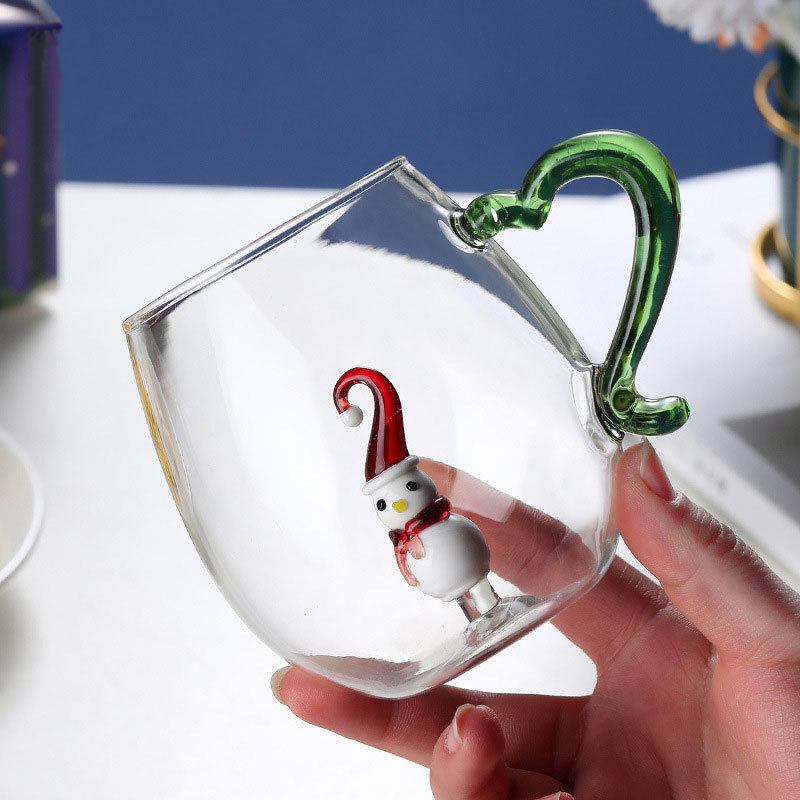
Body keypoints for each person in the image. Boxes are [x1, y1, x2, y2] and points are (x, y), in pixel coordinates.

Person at [269, 442, 800, 799]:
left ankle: (486, 605)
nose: (402, 507)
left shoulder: (446, 520)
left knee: (474, 582)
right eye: (389, 503)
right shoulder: (406, 544)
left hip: (477, 561)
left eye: (407, 490)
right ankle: (477, 612)